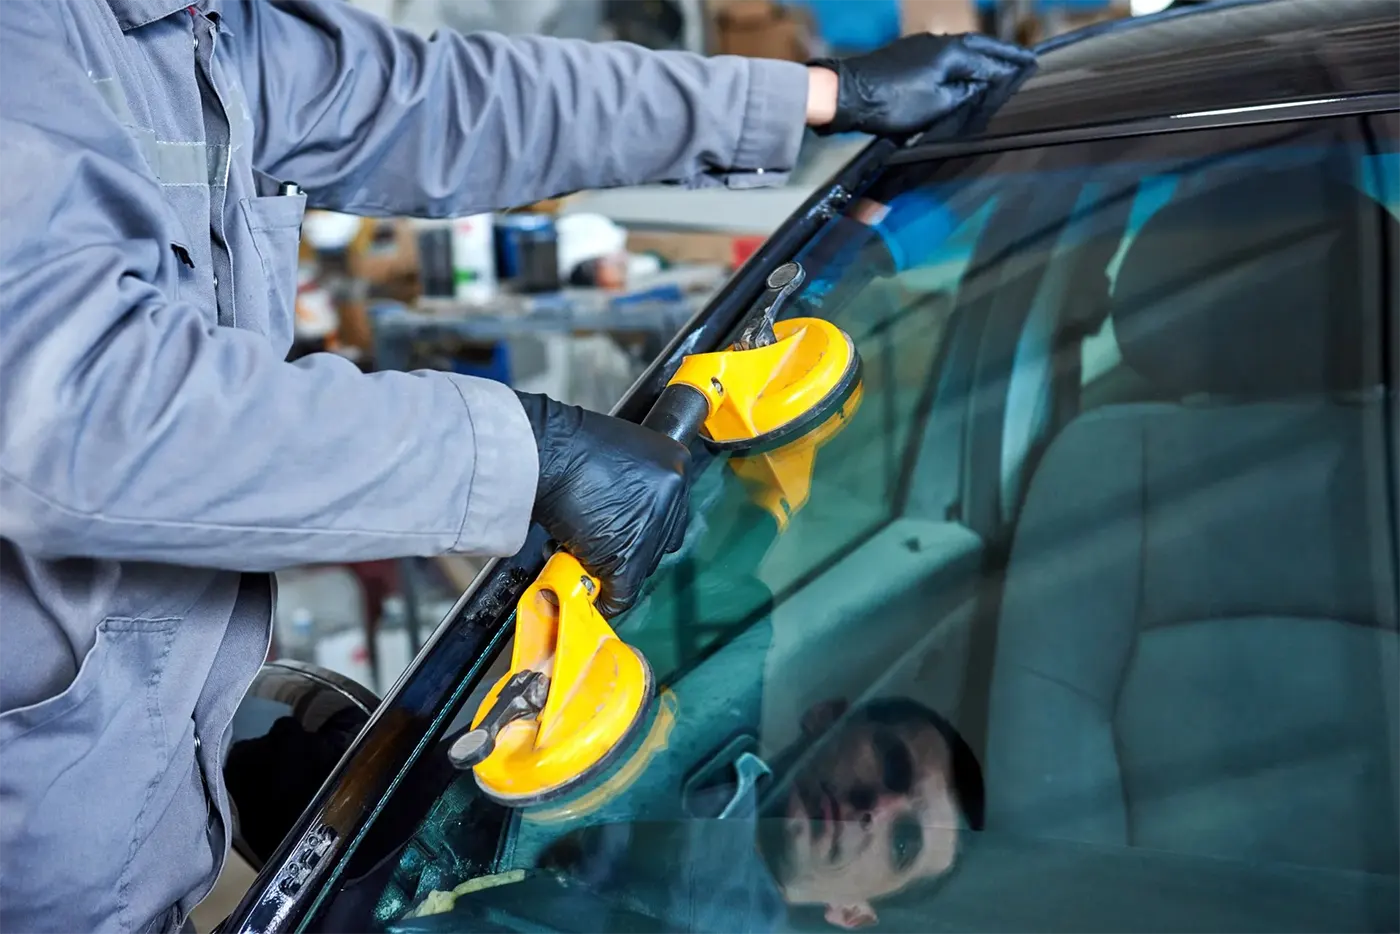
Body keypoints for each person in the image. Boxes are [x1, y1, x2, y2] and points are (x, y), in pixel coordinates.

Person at [0, 3, 1033, 932]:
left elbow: (441, 99)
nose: (873, 807)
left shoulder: (206, 31)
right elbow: (80, 413)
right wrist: (525, 448)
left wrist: (815, 95)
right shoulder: (37, 40)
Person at [527, 696, 983, 932]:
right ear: (828, 716)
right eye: (893, 762)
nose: (876, 810)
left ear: (852, 914)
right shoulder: (717, 690)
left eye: (903, 842)